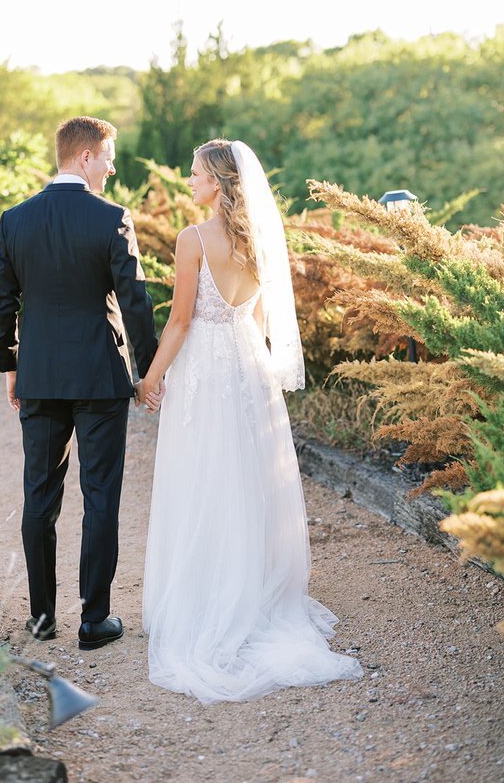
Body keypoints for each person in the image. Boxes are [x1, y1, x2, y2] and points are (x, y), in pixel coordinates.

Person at [140, 139, 363, 702]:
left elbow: (181, 322)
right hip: (248, 365)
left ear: (217, 181)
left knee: (203, 478)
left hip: (205, 371)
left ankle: (210, 596)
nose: (188, 181)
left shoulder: (193, 240)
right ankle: (255, 591)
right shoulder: (258, 237)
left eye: (194, 174)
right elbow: (262, 315)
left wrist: (149, 378)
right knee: (248, 480)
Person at [0, 116, 160, 649]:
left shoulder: (15, 220)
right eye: (108, 156)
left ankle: (41, 619)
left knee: (38, 495)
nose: (112, 168)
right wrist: (148, 372)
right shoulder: (111, 218)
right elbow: (135, 300)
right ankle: (93, 621)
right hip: (100, 378)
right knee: (100, 494)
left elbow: (1, 302)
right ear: (84, 158)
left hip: (40, 377)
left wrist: (12, 366)